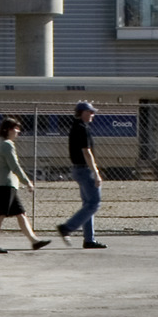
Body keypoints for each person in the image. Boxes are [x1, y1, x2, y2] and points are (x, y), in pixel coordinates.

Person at [0, 117, 49, 253]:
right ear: (8, 130)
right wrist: (27, 182)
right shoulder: (7, 145)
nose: (18, 132)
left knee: (21, 214)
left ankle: (34, 241)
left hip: (5, 185)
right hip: (6, 185)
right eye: (16, 129)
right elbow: (15, 166)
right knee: (0, 216)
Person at [56, 100, 107, 248]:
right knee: (94, 203)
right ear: (82, 113)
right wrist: (96, 172)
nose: (93, 115)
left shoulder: (75, 127)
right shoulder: (82, 128)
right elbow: (86, 152)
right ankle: (67, 227)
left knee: (87, 204)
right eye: (90, 112)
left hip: (78, 169)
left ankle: (89, 239)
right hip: (85, 169)